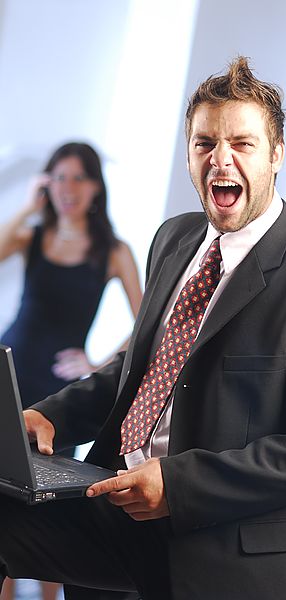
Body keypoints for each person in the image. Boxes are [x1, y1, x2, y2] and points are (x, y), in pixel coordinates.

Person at [0, 58, 286, 600]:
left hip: (220, 544)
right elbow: (139, 375)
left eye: (242, 144)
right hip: (111, 505)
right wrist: (49, 414)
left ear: (276, 155)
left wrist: (178, 487)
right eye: (204, 144)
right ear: (188, 153)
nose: (220, 159)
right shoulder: (173, 240)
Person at [0, 142, 143, 600]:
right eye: (59, 177)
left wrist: (98, 365)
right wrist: (25, 209)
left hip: (60, 393)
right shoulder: (33, 236)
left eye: (78, 177)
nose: (68, 188)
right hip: (13, 373)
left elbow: (147, 323)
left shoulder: (113, 250)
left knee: (45, 502)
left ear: (96, 187)